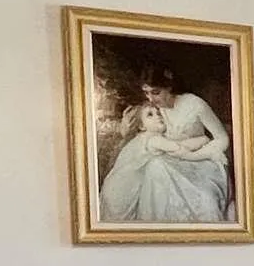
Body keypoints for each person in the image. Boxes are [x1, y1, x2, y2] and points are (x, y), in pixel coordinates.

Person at [98, 72, 234, 224]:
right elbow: (140, 128)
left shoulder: (193, 104)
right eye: (146, 93)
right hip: (169, 164)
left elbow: (222, 138)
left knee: (204, 200)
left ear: (169, 87)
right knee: (155, 167)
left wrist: (196, 154)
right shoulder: (152, 111)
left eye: (156, 92)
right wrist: (201, 140)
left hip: (200, 163)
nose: (150, 99)